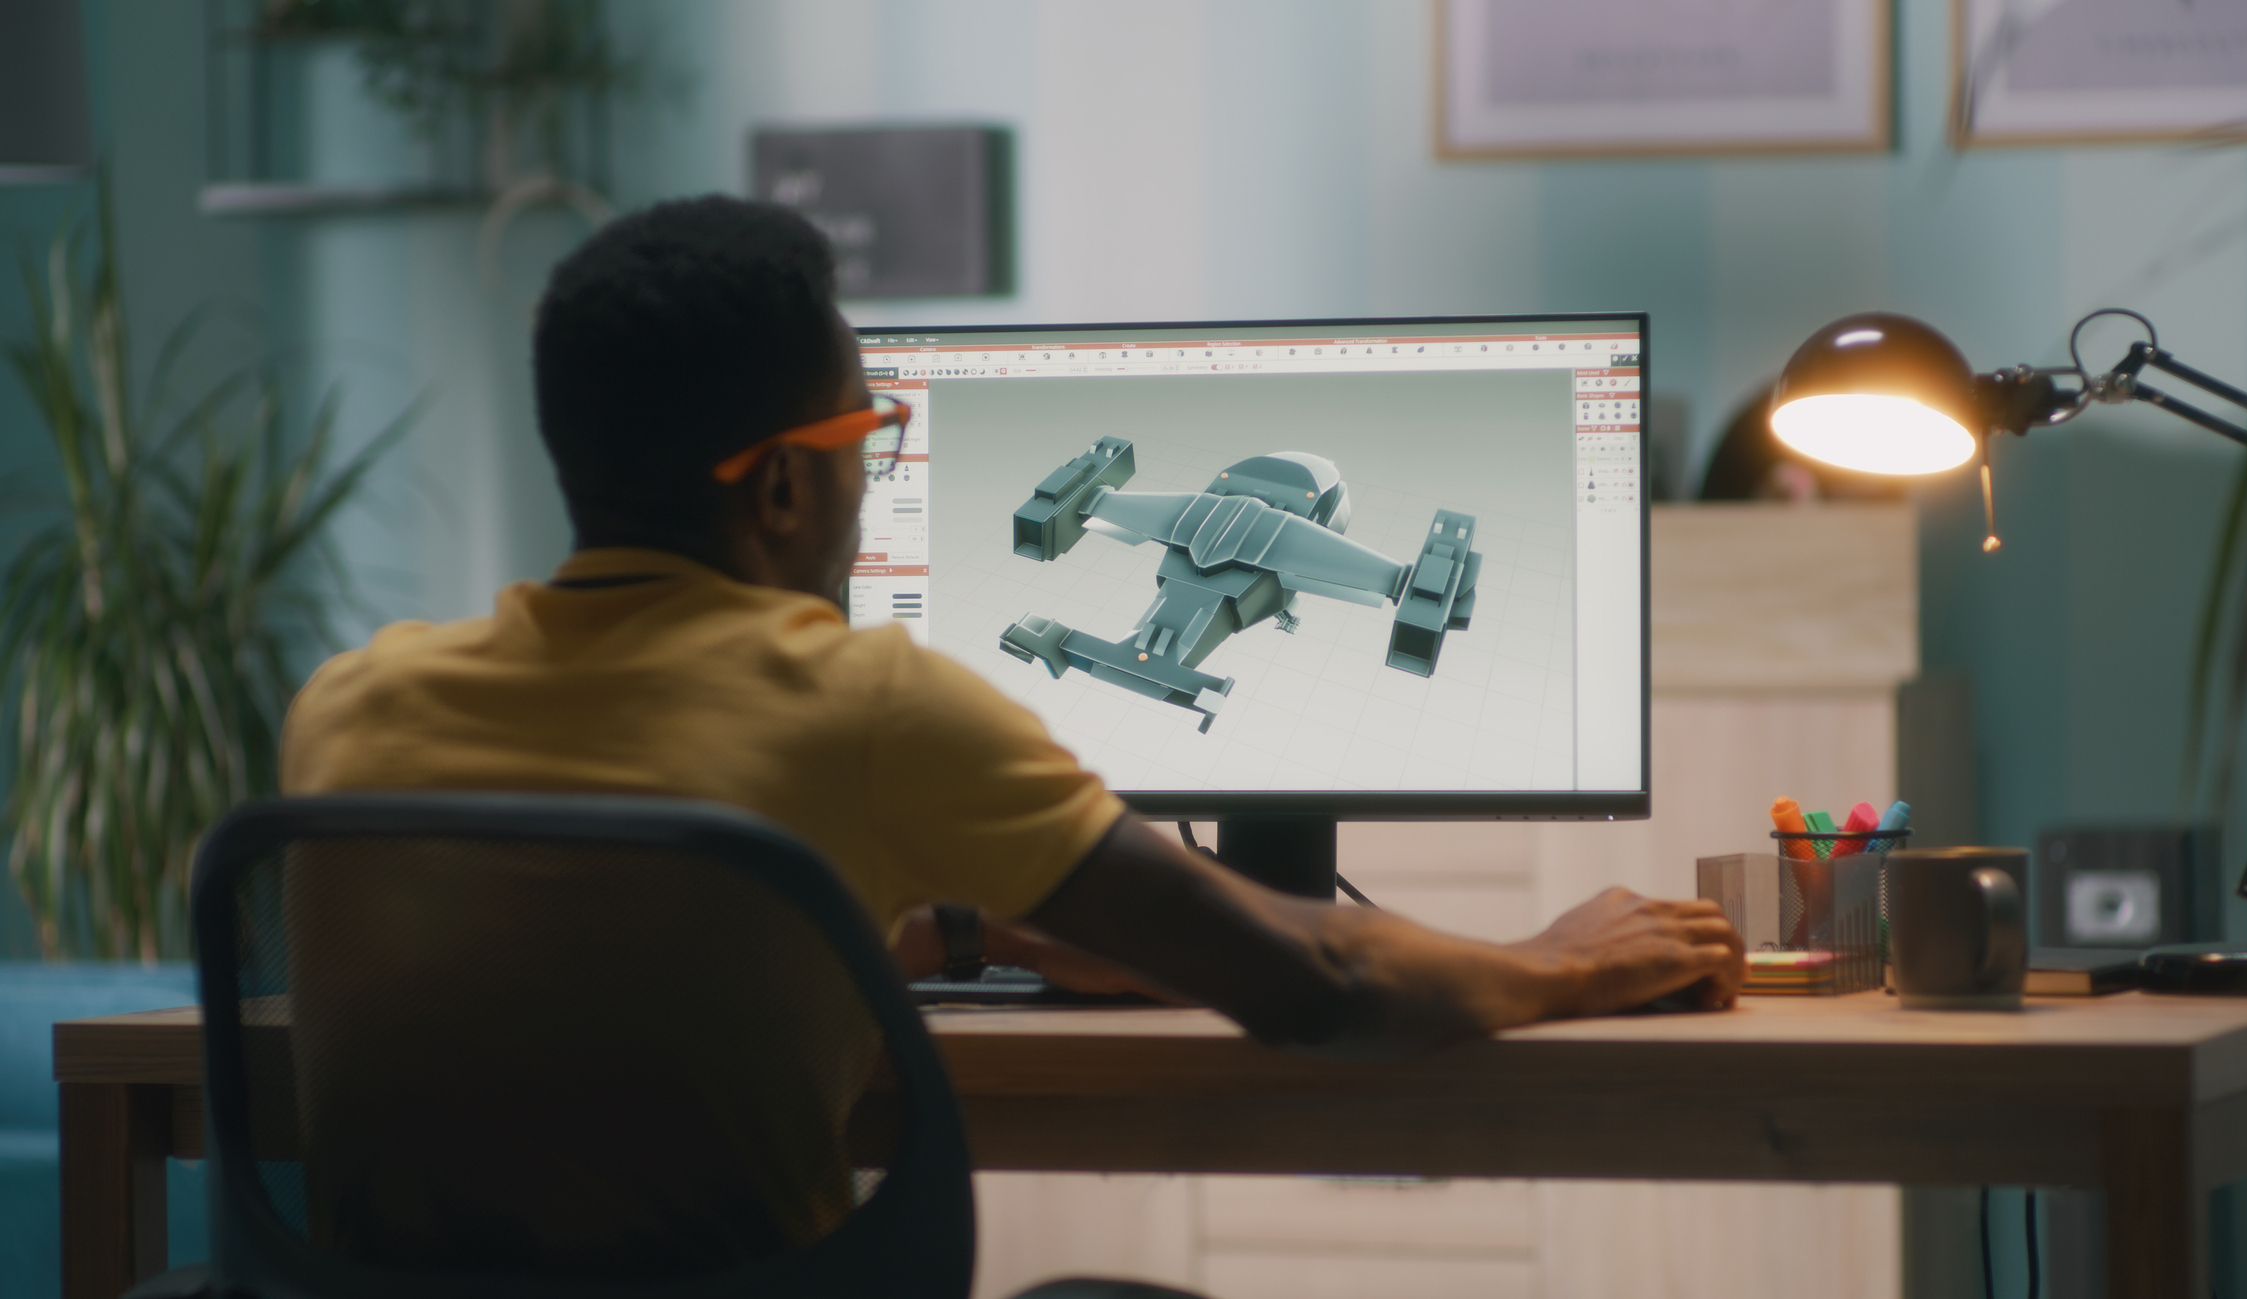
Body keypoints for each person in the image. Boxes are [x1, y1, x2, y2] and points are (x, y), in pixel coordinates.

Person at [279, 196, 1744, 1278]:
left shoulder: (350, 707)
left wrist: (964, 933)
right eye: (868, 443)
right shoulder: (863, 704)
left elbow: (602, 950)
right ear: (783, 489)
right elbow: (1314, 986)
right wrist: (1563, 961)